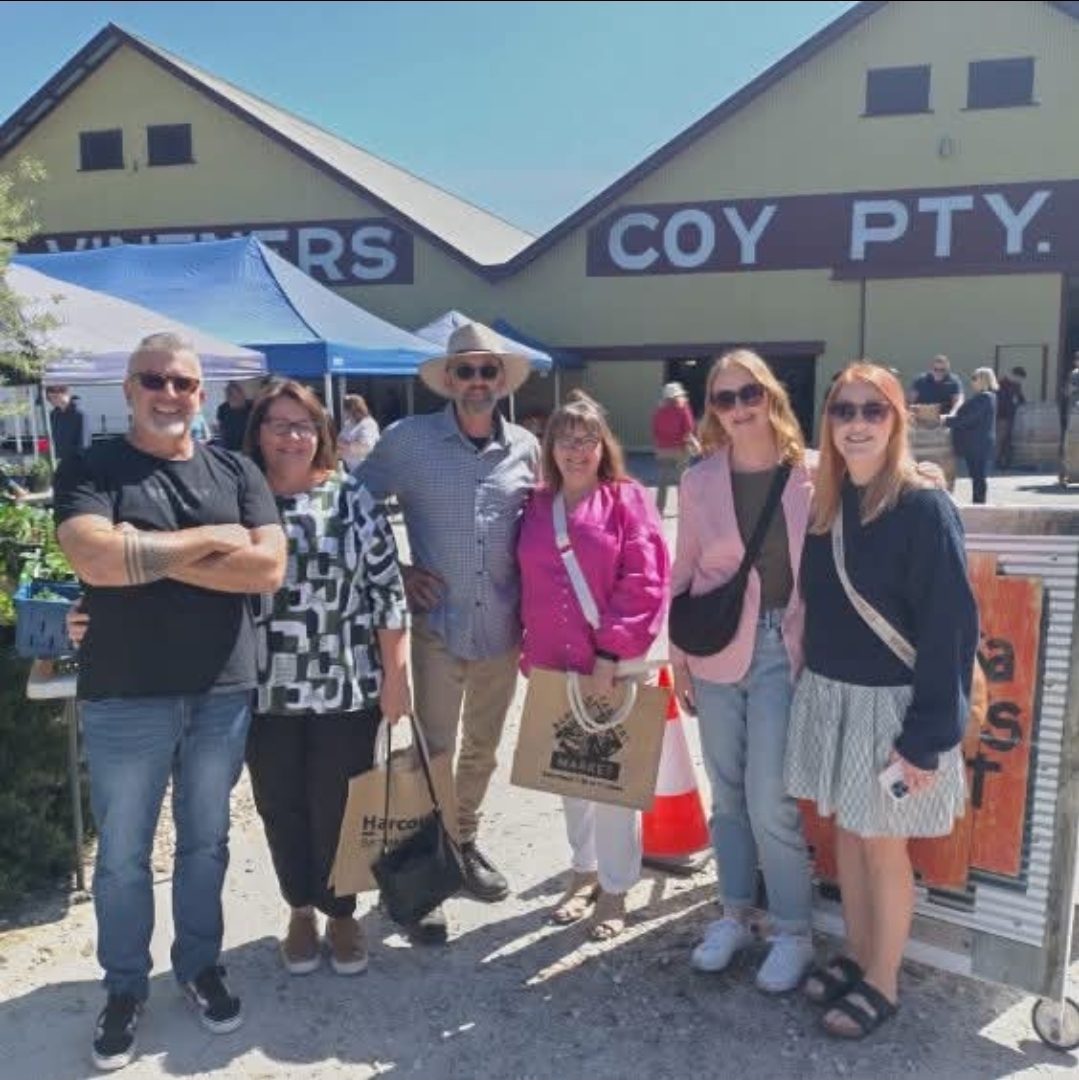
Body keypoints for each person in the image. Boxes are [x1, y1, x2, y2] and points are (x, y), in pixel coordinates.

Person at [52, 332, 286, 1072]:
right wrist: (210, 542)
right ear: (128, 389)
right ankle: (124, 987)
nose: (170, 393)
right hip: (125, 694)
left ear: (203, 393)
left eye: (184, 382)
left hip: (222, 690)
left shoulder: (237, 468)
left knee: (206, 842)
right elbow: (92, 557)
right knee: (122, 855)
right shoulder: (92, 467)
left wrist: (146, 553)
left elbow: (267, 569)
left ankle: (197, 966)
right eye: (153, 379)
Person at [784, 362, 977, 1039]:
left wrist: (925, 737)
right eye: (843, 410)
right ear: (828, 423)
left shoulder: (924, 508)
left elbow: (950, 629)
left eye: (873, 410)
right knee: (847, 837)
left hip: (892, 708)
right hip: (832, 696)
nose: (856, 423)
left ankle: (884, 982)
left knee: (883, 848)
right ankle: (860, 957)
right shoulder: (825, 506)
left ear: (896, 421)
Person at [356, 321, 539, 944]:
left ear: (501, 381)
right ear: (449, 380)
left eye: (489, 371)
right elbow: (354, 506)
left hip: (500, 630)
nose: (478, 382)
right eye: (467, 372)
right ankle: (419, 875)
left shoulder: (526, 449)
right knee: (428, 753)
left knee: (482, 750)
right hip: (437, 628)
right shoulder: (407, 441)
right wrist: (399, 570)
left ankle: (460, 846)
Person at [242, 381, 410, 976]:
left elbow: (386, 591)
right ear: (257, 431)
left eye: (303, 425)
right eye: (278, 424)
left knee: (338, 805)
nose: (291, 436)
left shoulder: (350, 498)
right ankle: (300, 909)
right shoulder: (240, 498)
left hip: (345, 685)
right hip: (262, 689)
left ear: (322, 434)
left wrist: (396, 675)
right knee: (279, 805)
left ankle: (341, 912)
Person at [669, 349, 816, 994]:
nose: (737, 409)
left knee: (769, 796)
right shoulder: (699, 480)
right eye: (723, 400)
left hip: (784, 643)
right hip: (717, 645)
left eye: (747, 394)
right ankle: (733, 912)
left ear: (771, 396)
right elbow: (684, 568)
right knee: (726, 793)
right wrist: (678, 660)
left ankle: (792, 930)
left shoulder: (811, 475)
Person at [518, 392, 669, 941]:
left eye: (587, 439)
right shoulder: (536, 504)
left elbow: (645, 579)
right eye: (566, 439)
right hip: (553, 663)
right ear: (550, 446)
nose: (577, 450)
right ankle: (581, 871)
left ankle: (615, 886)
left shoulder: (626, 499)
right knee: (569, 779)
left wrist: (611, 651)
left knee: (610, 783)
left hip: (612, 665)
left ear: (604, 446)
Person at [945, 367, 997, 505]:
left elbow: (968, 419)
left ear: (983, 380)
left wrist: (945, 421)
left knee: (978, 476)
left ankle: (979, 504)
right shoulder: (985, 397)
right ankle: (978, 503)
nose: (972, 381)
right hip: (977, 443)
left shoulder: (985, 397)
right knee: (977, 476)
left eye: (975, 378)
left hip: (978, 444)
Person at [651, 381, 696, 517]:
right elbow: (688, 429)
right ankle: (683, 510)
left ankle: (659, 510)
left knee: (662, 482)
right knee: (682, 481)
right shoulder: (683, 408)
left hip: (663, 450)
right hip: (680, 450)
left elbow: (655, 430)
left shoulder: (658, 411)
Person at [337, 393, 381, 468]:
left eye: (346, 409)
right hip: (352, 470)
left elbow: (364, 449)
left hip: (367, 470)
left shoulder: (369, 424)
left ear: (354, 410)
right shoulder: (349, 423)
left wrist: (343, 445)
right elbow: (338, 442)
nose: (344, 412)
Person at [995, 365, 1026, 470]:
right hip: (1001, 416)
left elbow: (1020, 397)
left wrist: (1024, 404)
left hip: (1011, 416)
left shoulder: (1016, 385)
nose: (1020, 381)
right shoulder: (1001, 384)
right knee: (1001, 440)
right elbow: (1001, 401)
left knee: (1008, 440)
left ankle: (1006, 462)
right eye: (1019, 378)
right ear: (1014, 375)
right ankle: (997, 462)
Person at [45, 385, 85, 462]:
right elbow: (51, 438)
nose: (52, 402)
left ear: (64, 394)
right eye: (49, 399)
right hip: (56, 461)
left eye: (54, 398)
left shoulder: (79, 415)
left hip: (74, 462)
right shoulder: (53, 415)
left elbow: (83, 444)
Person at [216, 381, 252, 451]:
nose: (230, 398)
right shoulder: (223, 408)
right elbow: (221, 426)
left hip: (247, 448)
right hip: (229, 447)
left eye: (233, 395)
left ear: (242, 394)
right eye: (228, 395)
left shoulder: (251, 406)